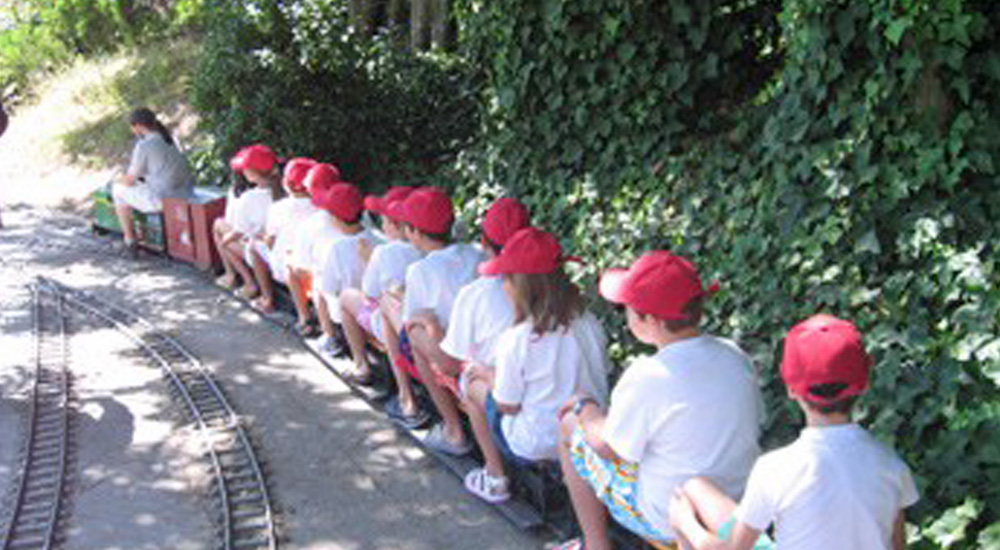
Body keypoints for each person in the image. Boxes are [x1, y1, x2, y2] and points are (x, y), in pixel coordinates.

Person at [553, 251, 764, 550]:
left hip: (667, 514)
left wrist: (584, 408)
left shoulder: (648, 375)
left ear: (649, 320)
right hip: (732, 504)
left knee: (569, 426)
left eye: (627, 308)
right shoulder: (734, 355)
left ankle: (595, 545)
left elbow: (608, 448)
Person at [669, 314, 919, 550]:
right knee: (696, 487)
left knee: (687, 501)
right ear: (863, 383)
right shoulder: (890, 465)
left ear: (791, 388)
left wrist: (689, 529)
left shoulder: (774, 470)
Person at [462, 226, 612, 504]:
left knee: (472, 385)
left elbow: (508, 405)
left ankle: (494, 475)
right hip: (583, 432)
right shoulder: (590, 322)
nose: (503, 286)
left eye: (505, 279)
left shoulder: (516, 338)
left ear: (520, 287)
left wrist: (489, 375)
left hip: (535, 441)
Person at [378, 187, 483, 433]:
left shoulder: (421, 270)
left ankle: (449, 426)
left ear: (414, 231)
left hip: (453, 357)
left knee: (409, 328)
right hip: (478, 345)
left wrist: (401, 298)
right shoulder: (475, 253)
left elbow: (410, 321)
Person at [339, 186, 423, 385]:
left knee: (347, 297)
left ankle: (361, 364)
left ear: (397, 225)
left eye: (384, 220)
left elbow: (370, 293)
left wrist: (368, 259)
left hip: (397, 327)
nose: (382, 226)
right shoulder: (427, 248)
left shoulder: (385, 252)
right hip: (424, 329)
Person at [113, 107, 195, 256]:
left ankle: (130, 240)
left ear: (137, 126)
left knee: (117, 191)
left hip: (164, 199)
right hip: (186, 191)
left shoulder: (144, 145)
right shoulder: (171, 138)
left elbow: (130, 180)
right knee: (138, 187)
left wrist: (117, 179)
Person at [314, 181, 379, 357]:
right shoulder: (377, 238)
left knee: (319, 285)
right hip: (375, 308)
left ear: (334, 218)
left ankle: (330, 337)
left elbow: (330, 288)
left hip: (348, 312)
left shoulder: (337, 248)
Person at [247, 157, 318, 313]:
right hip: (314, 268)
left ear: (287, 183)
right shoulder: (321, 208)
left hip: (286, 268)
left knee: (253, 246)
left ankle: (267, 298)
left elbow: (270, 242)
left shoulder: (278, 208)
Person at [213, 144, 284, 298]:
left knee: (219, 228)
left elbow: (237, 233)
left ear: (251, 173)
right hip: (283, 250)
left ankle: (247, 282)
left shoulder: (250, 198)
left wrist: (223, 243)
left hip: (265, 253)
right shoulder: (288, 190)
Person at [285, 162, 341, 337]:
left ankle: (310, 322)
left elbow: (302, 267)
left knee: (295, 267)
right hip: (360, 288)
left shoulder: (311, 224)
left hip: (333, 294)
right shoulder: (356, 214)